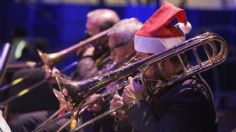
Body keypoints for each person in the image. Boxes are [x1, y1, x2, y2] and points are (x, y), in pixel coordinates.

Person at [110, 1, 217, 132]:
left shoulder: (188, 93)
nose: (138, 66)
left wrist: (135, 103)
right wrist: (124, 115)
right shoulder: (158, 83)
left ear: (163, 62)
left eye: (140, 59)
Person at [9, 8, 120, 132]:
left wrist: (86, 58)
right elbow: (78, 83)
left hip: (88, 116)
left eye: (90, 31)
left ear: (104, 34)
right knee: (20, 122)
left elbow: (94, 83)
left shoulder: (113, 54)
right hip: (75, 108)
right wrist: (58, 77)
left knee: (43, 128)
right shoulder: (96, 51)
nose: (86, 35)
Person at [83, 18, 143, 132]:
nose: (111, 56)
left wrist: (107, 101)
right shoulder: (115, 67)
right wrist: (100, 107)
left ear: (134, 44)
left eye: (114, 49)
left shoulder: (142, 75)